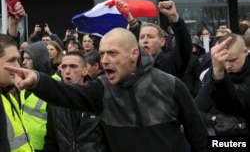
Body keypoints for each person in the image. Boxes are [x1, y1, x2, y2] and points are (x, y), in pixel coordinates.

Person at [6, 27, 207, 152]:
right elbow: (68, 94)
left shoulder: (170, 85)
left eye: (112, 53)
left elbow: (198, 136)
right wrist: (38, 81)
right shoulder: (102, 89)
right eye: (102, 53)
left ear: (133, 54)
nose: (104, 60)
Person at [43, 51, 109, 152]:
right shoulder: (56, 102)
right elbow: (51, 141)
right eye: (64, 67)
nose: (67, 71)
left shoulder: (99, 96)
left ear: (84, 71)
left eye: (73, 66)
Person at [116, 0, 192, 79]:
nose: (145, 40)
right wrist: (130, 18)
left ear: (162, 42)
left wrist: (174, 18)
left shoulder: (170, 63)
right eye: (142, 37)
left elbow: (184, 46)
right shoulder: (135, 66)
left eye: (150, 36)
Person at [195, 33, 250, 136]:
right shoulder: (214, 77)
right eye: (224, 61)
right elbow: (194, 110)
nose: (228, 66)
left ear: (245, 51)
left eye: (233, 60)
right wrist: (215, 119)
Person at [0, 2, 34, 151]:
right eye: (11, 61)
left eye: (18, 60)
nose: (18, 67)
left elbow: (6, 48)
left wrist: (13, 25)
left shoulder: (8, 92)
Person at [20, 41, 61, 151]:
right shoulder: (24, 81)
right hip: (25, 145)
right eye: (23, 58)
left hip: (43, 146)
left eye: (28, 58)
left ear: (38, 59)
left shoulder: (55, 84)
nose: (24, 62)